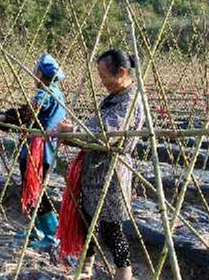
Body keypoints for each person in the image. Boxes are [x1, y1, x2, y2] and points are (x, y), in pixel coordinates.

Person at [58, 49, 145, 280]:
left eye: (105, 76)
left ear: (122, 72)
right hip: (94, 171)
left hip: (112, 175)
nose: (102, 82)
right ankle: (85, 269)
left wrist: (74, 132)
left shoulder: (130, 100)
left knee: (112, 228)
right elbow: (92, 125)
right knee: (88, 222)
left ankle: (124, 275)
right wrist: (71, 131)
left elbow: (108, 133)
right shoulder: (113, 97)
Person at [0, 53, 66, 249]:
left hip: (38, 150)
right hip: (42, 148)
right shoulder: (57, 92)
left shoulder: (45, 93)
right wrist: (3, 117)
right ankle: (36, 229)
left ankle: (51, 233)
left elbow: (26, 114)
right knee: (31, 189)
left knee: (36, 191)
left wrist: (2, 117)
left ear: (40, 73)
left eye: (36, 70)